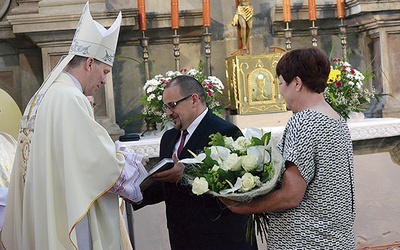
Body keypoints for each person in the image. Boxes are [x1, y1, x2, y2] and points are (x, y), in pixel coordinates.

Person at [1, 2, 145, 249]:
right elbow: (99, 164)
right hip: (66, 215)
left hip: (47, 212)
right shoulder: (70, 98)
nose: (103, 80)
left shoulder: (43, 96)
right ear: (89, 63)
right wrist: (133, 164)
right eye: (105, 72)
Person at [221, 47, 356, 248]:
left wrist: (243, 206)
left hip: (306, 240)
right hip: (336, 238)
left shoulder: (303, 122)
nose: (280, 91)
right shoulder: (336, 118)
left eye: (282, 83)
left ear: (297, 83)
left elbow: (290, 195)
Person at [133, 75, 258, 250]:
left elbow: (235, 188)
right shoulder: (169, 138)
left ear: (193, 100)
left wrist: (186, 174)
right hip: (182, 237)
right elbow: (166, 184)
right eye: (166, 107)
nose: (168, 113)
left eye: (172, 105)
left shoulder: (224, 132)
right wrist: (134, 194)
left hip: (221, 238)